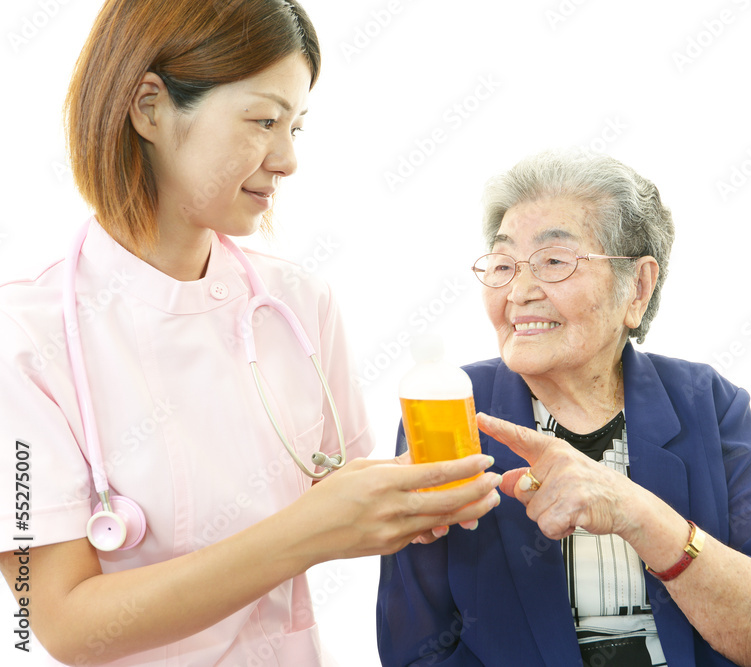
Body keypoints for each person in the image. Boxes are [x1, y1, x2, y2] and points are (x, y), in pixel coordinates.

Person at [0, 2, 501, 665]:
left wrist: (421, 503)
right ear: (150, 108)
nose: (288, 159)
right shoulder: (24, 336)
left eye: (296, 127)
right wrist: (308, 532)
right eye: (264, 121)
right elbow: (63, 622)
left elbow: (341, 496)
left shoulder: (299, 303)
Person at [376, 151, 751, 666]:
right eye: (503, 264)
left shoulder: (706, 401)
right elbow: (416, 652)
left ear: (638, 287)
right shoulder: (445, 405)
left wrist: (634, 512)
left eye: (554, 261)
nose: (519, 292)